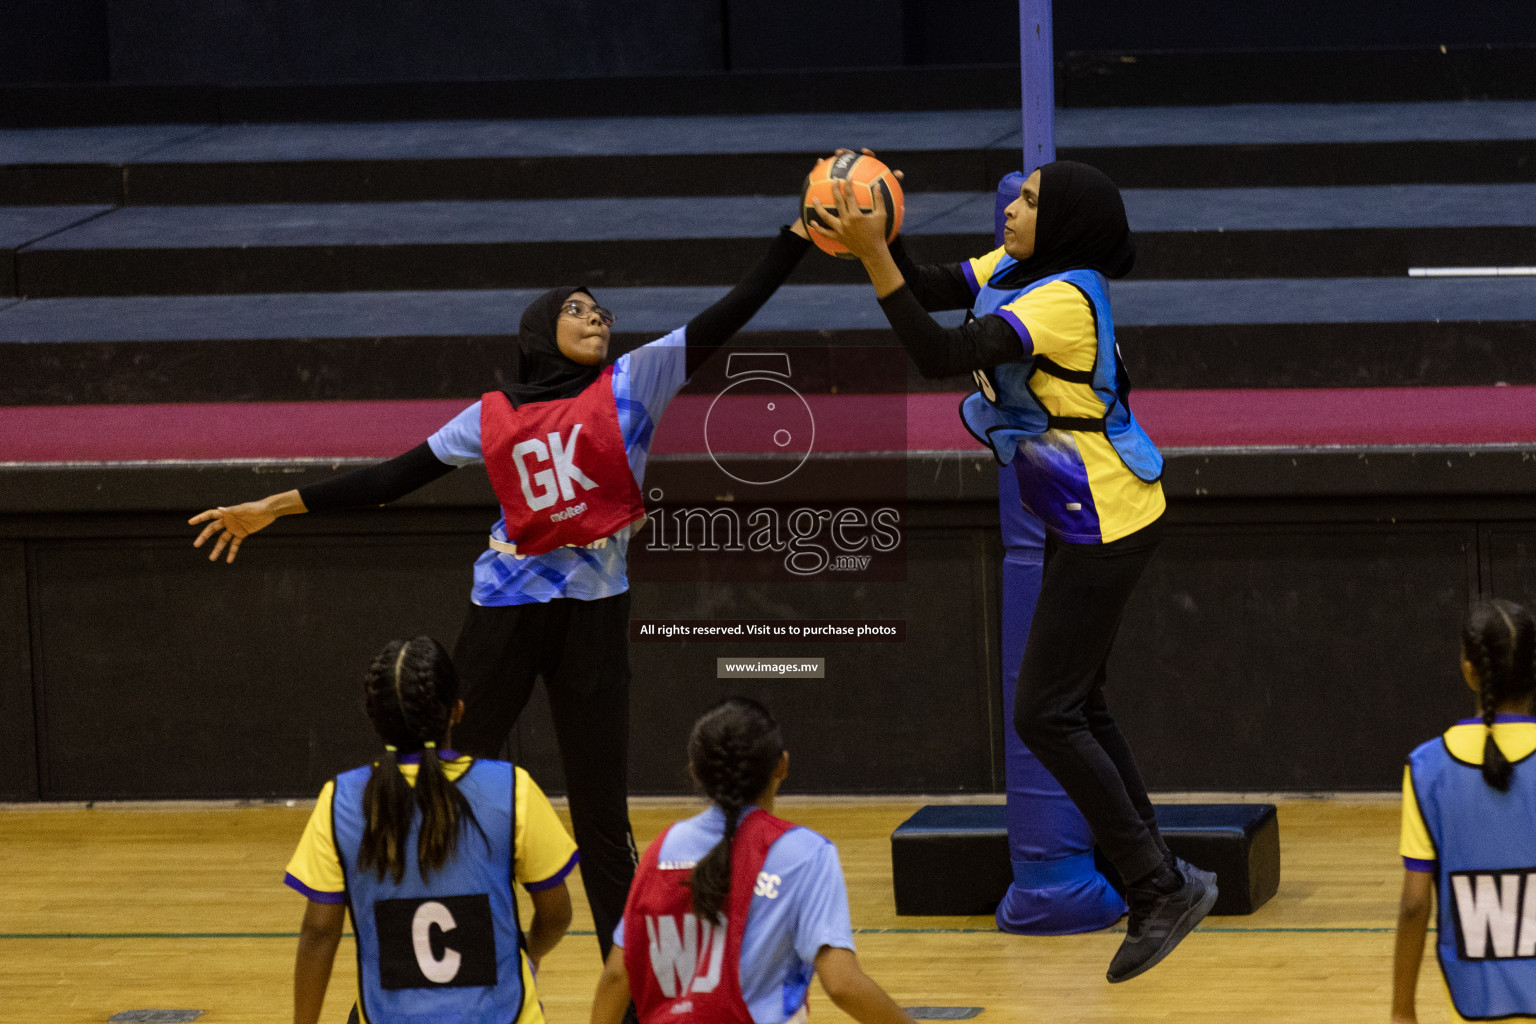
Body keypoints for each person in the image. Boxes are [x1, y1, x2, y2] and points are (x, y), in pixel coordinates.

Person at [190, 218, 814, 958]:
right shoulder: (491, 416)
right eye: (578, 309)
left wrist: (793, 240)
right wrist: (275, 506)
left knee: (601, 814)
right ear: (540, 331)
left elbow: (730, 311)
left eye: (602, 311)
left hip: (593, 616)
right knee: (446, 783)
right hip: (503, 615)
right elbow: (391, 478)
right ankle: (436, 955)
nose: (598, 319)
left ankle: (632, 990)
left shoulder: (635, 380)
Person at [808, 154, 1214, 982]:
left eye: (1029, 202)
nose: (1012, 212)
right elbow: (927, 289)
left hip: (1111, 518)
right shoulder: (1021, 265)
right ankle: (1169, 874)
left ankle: (1157, 887)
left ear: (1062, 222)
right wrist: (871, 239)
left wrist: (873, 255)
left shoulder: (1064, 298)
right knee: (1079, 705)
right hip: (1084, 510)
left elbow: (939, 352)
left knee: (1045, 714)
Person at [284, 636, 577, 1024]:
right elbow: (556, 914)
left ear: (375, 717)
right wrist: (530, 952)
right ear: (456, 711)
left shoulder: (340, 799)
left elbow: (319, 933)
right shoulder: (512, 788)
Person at [590, 697, 915, 1024]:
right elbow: (842, 984)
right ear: (782, 765)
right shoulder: (805, 853)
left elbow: (617, 976)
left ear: (695, 773)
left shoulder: (662, 850)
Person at [1393, 599, 1536, 1024]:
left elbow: (1415, 903)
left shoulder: (1427, 767)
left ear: (1469, 669)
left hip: (1475, 998)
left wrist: (1403, 1011)